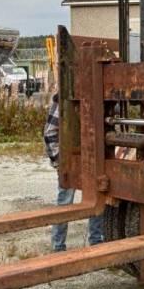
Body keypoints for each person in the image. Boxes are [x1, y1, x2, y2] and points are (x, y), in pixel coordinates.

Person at [44, 92, 103, 251]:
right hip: (70, 161)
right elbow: (49, 133)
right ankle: (58, 247)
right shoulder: (63, 99)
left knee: (98, 200)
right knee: (65, 203)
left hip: (92, 160)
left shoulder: (99, 97)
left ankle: (96, 243)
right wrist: (59, 162)